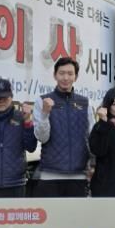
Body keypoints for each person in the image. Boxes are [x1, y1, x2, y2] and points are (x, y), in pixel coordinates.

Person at [33, 57, 94, 197]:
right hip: (50, 175)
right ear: (55, 75)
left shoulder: (85, 103)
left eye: (70, 73)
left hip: (79, 175)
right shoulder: (42, 101)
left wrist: (92, 165)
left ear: (76, 77)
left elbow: (92, 137)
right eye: (61, 73)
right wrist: (45, 113)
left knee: (76, 212)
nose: (66, 78)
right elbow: (42, 137)